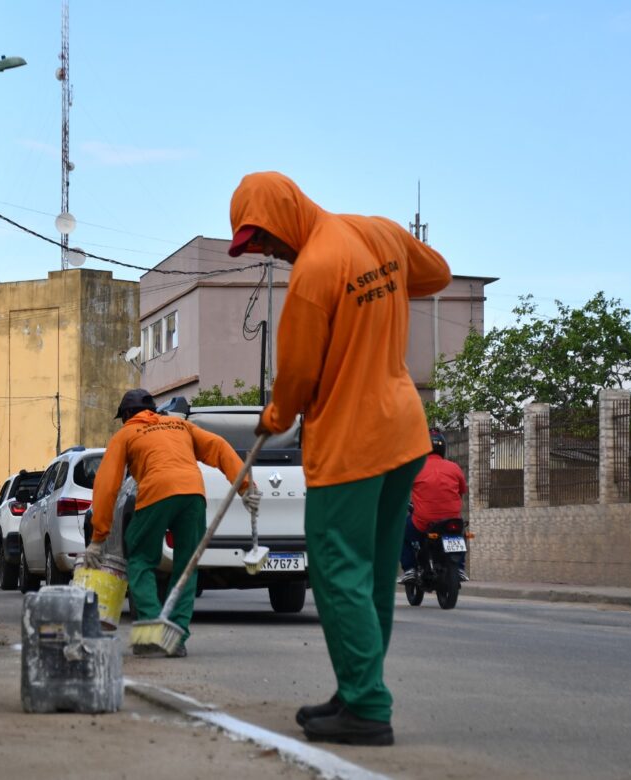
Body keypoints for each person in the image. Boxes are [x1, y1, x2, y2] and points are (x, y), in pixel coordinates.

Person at [229, 171, 451, 746]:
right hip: (403, 433)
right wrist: (380, 294)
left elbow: (297, 379)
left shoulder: (312, 274)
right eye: (256, 247)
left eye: (265, 240)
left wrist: (274, 418)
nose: (269, 252)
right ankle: (359, 688)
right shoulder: (379, 234)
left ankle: (368, 706)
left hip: (352, 445)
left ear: (283, 216)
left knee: (334, 568)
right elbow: (438, 274)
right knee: (373, 572)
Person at [86, 388, 260, 658]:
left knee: (141, 559)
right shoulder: (181, 425)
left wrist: (98, 537)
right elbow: (219, 447)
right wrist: (246, 486)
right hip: (193, 493)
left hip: (156, 492)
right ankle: (176, 637)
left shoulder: (125, 435)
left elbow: (107, 486)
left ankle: (153, 630)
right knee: (187, 565)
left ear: (127, 415)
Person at [398, 429, 469, 583]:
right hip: (451, 519)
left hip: (424, 522)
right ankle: (460, 569)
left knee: (402, 532)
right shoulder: (454, 467)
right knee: (460, 533)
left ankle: (409, 569)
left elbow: (402, 491)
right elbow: (462, 491)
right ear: (443, 448)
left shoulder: (416, 468)